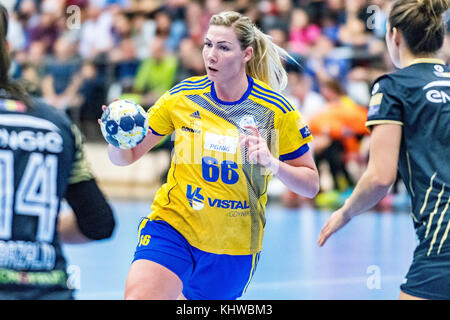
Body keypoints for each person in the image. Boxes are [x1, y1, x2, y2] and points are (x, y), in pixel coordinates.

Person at [103, 11, 319, 300]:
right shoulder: (182, 98)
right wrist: (117, 139)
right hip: (173, 227)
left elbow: (311, 185)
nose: (211, 55)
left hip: (233, 246)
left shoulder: (276, 111)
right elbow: (126, 157)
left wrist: (272, 163)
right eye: (208, 45)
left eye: (223, 47)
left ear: (246, 54)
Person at [318, 0, 450, 300]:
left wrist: (346, 212)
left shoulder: (393, 87)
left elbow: (380, 177)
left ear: (395, 36)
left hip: (443, 234)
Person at [0, 5, 115, 299]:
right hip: (48, 288)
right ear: (8, 49)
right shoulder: (55, 124)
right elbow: (98, 223)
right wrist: (28, 228)